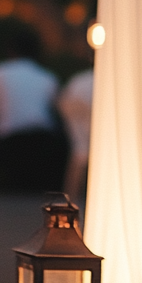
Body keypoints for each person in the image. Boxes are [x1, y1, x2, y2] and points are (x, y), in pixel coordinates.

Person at [0, 27, 68, 191]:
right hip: (43, 142)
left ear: (10, 50)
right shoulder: (47, 77)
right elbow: (57, 111)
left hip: (8, 142)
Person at [57, 68, 94, 201]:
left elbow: (62, 104)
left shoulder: (79, 81)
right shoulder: (110, 80)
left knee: (80, 153)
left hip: (80, 136)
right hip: (91, 138)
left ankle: (70, 201)